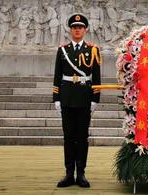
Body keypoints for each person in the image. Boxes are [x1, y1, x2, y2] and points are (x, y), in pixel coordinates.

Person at [53, 13, 101, 188]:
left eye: (80, 27)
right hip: (66, 98)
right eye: (74, 27)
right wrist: (56, 98)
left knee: (82, 138)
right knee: (68, 137)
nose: (77, 30)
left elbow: (96, 77)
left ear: (85, 30)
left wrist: (95, 99)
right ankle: (68, 173)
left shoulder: (92, 50)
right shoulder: (63, 50)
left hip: (84, 98)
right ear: (70, 30)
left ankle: (80, 173)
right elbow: (57, 75)